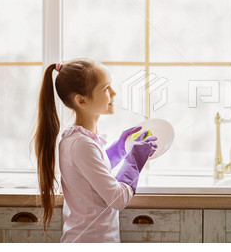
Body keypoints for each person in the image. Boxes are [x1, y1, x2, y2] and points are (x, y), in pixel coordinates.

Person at [32, 59, 157, 242]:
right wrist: (135, 160)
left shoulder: (77, 139)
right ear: (81, 100)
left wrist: (119, 149)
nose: (113, 93)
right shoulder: (82, 144)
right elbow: (117, 199)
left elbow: (91, 173)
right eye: (106, 88)